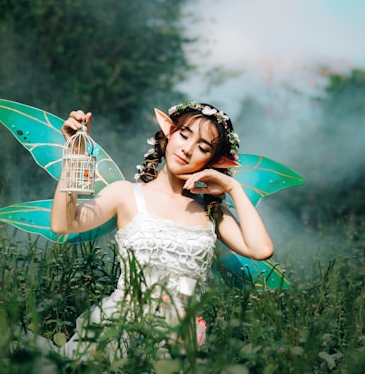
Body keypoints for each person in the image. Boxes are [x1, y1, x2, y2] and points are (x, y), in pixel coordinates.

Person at [50, 101, 274, 360]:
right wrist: (75, 153)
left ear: (214, 161)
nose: (188, 149)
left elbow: (261, 249)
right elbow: (63, 224)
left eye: (202, 147)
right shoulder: (126, 194)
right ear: (169, 133)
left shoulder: (211, 212)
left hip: (179, 341)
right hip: (121, 328)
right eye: (184, 135)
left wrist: (233, 188)